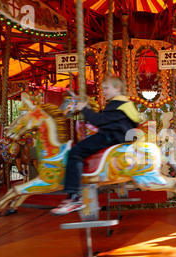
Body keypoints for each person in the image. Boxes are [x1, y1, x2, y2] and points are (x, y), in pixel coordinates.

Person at [50, 76, 141, 215]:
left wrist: (84, 109)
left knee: (75, 152)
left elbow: (98, 121)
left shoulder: (117, 104)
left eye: (106, 88)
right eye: (103, 88)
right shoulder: (124, 104)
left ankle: (74, 197)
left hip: (109, 137)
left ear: (117, 88)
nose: (103, 91)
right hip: (117, 136)